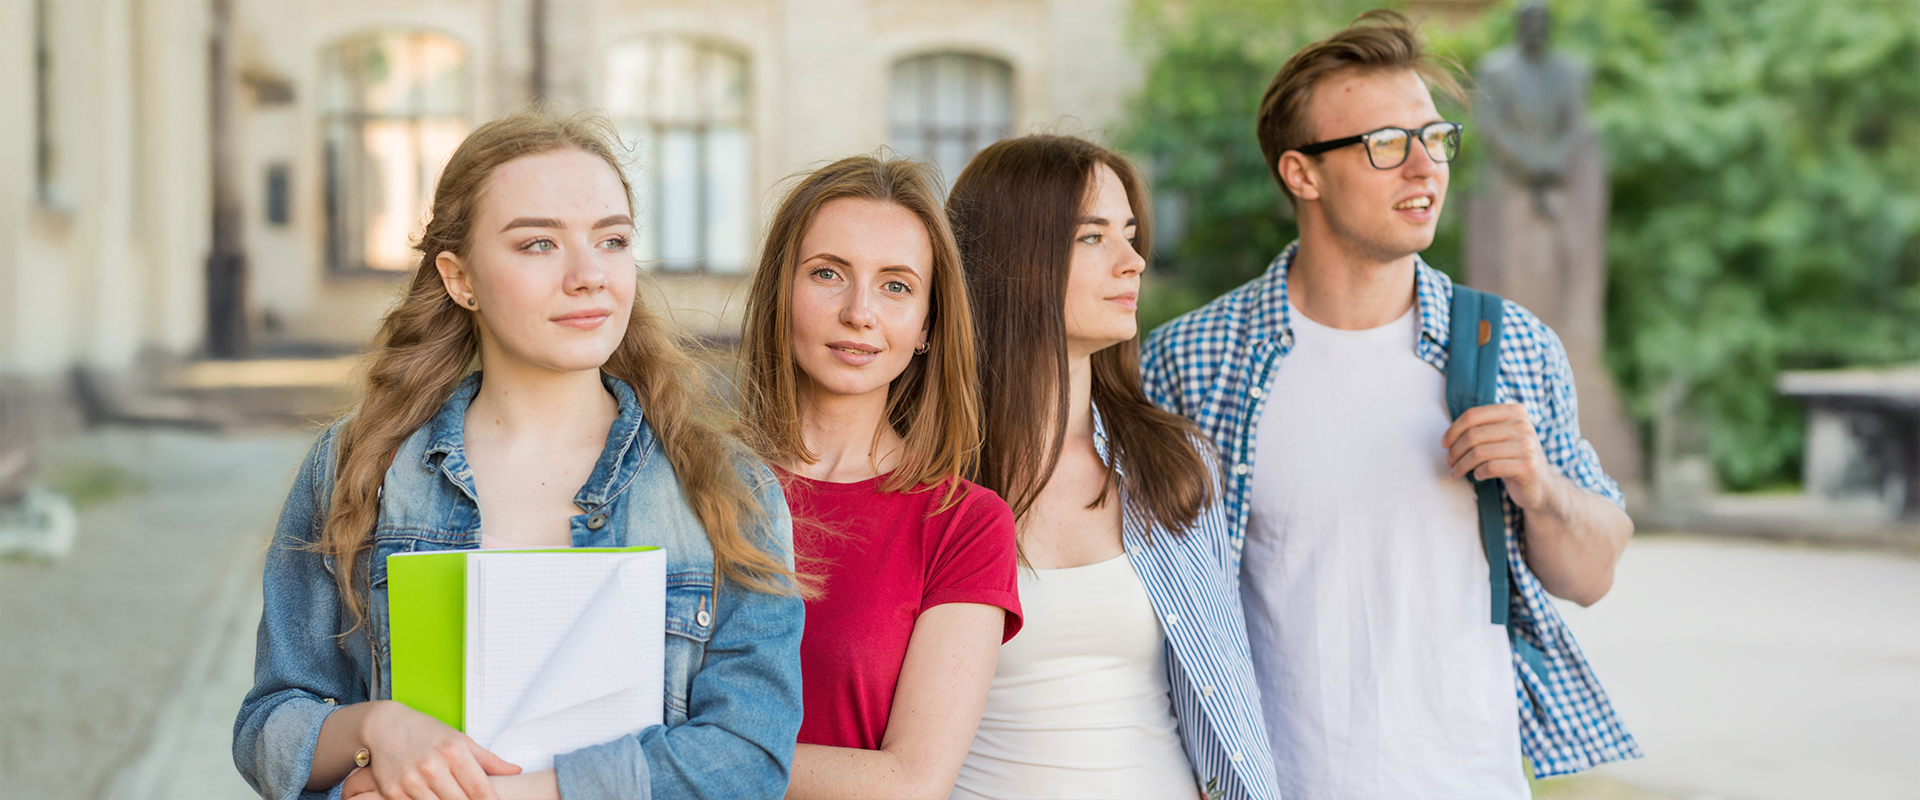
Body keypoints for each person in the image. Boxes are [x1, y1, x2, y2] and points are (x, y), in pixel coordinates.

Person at [233, 108, 805, 800]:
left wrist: (509, 794)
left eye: (612, 240)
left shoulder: (727, 486)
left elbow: (749, 756)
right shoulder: (359, 464)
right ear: (459, 278)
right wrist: (375, 732)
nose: (589, 275)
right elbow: (269, 726)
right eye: (539, 245)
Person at [1140, 11, 1640, 799]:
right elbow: (1149, 609)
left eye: (1434, 138)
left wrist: (1540, 489)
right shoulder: (1190, 362)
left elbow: (1594, 571)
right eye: (1385, 145)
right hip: (1277, 784)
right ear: (1301, 173)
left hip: (1471, 781)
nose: (1424, 168)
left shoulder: (1508, 345)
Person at [945, 135, 1279, 800]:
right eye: (1093, 238)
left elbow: (1224, 702)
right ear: (1014, 257)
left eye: (1129, 234)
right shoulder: (928, 479)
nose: (1134, 262)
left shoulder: (1174, 467)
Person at [738, 155, 1022, 799]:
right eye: (828, 274)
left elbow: (910, 782)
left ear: (926, 324)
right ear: (780, 292)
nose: (859, 311)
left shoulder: (965, 523)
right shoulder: (693, 481)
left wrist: (701, 754)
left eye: (896, 286)